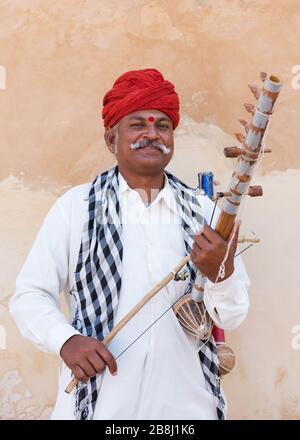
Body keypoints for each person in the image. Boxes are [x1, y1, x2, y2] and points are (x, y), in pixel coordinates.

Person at [10, 68, 250, 420]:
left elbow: (231, 314)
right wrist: (65, 340)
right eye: (137, 124)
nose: (151, 134)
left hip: (187, 408)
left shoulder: (204, 211)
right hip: (101, 407)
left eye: (162, 126)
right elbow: (30, 295)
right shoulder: (75, 208)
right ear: (112, 139)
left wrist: (222, 272)